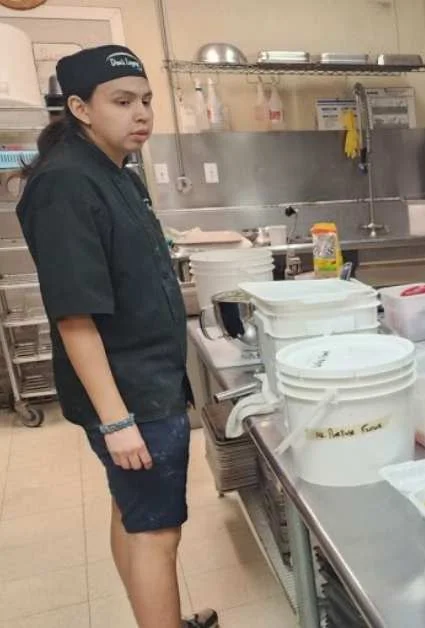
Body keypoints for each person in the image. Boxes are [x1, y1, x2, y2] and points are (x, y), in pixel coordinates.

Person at [18, 46, 217, 628]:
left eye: (146, 100)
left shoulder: (115, 171)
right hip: (131, 395)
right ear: (80, 108)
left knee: (132, 513)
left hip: (146, 383)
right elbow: (74, 316)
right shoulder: (66, 184)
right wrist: (117, 421)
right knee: (158, 532)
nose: (142, 113)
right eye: (123, 101)